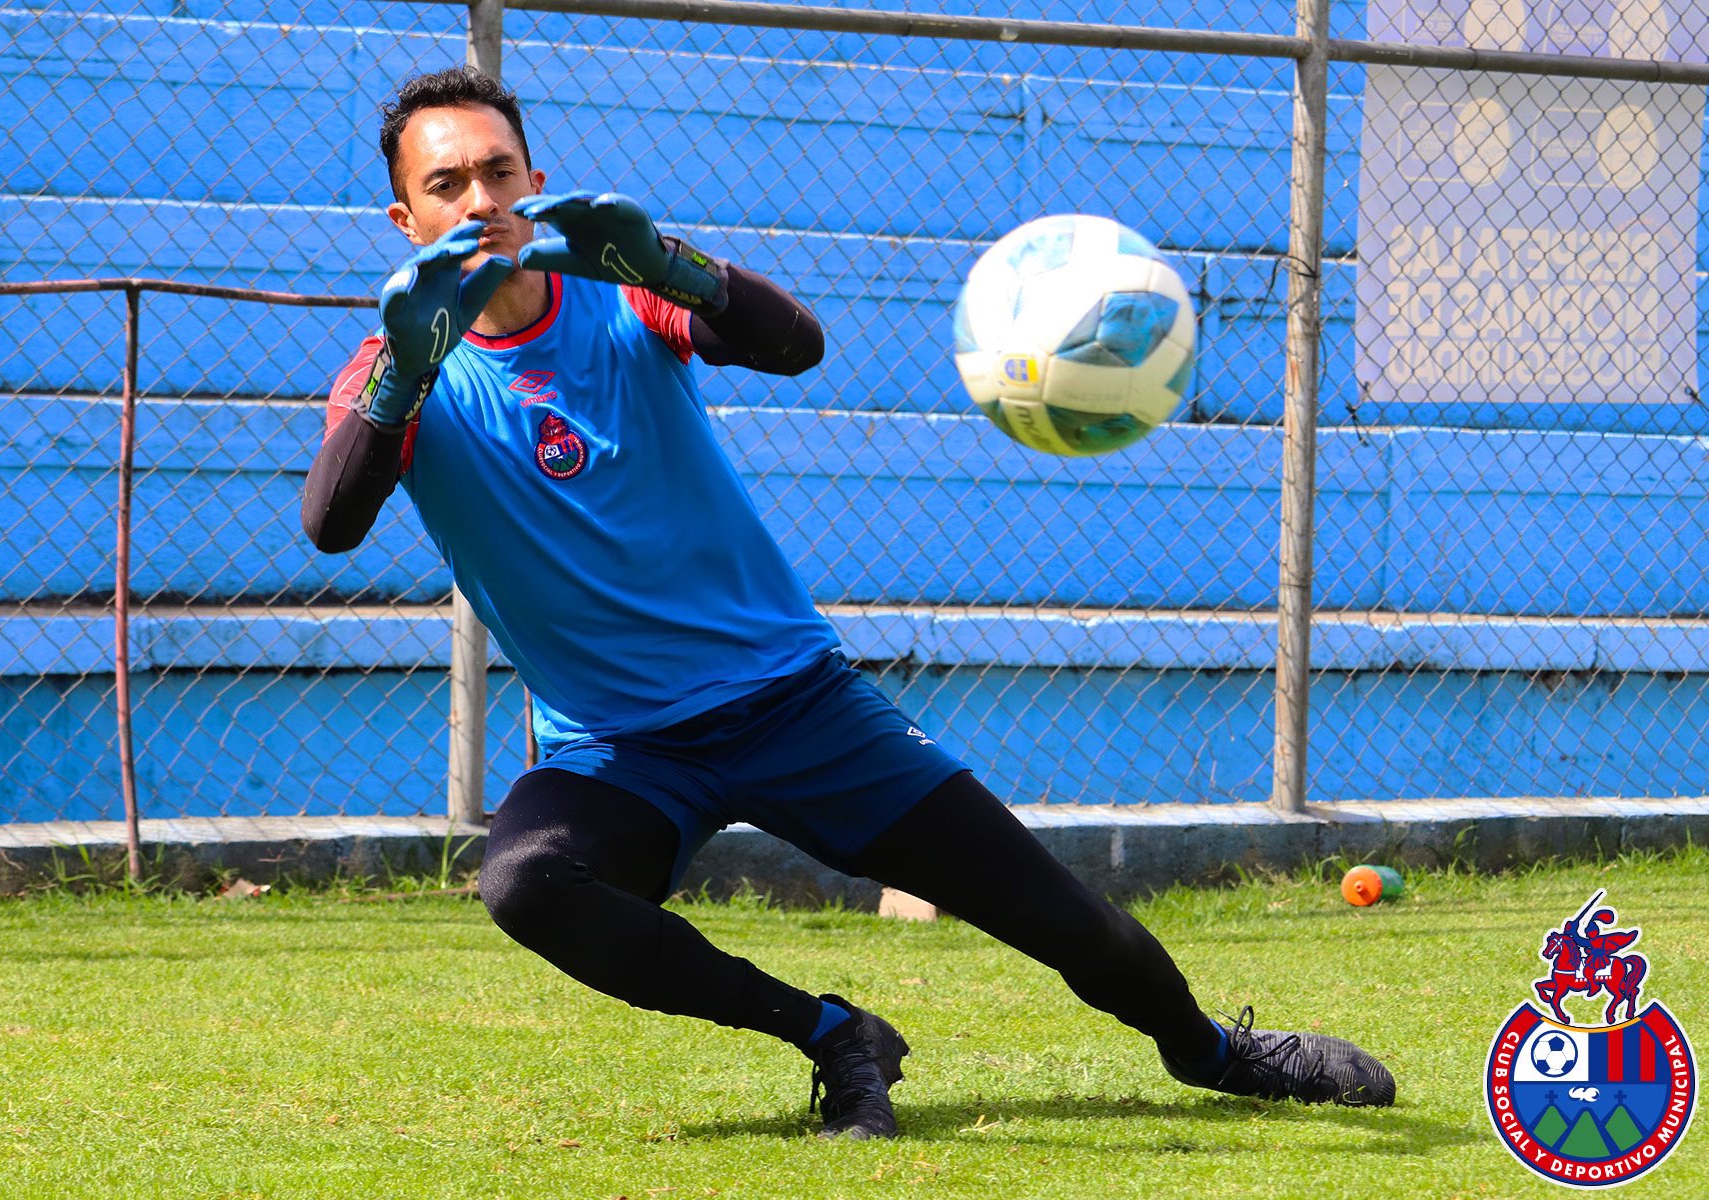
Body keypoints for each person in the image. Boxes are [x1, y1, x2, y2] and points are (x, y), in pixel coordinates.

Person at [301, 65, 1397, 1140]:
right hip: (621, 751)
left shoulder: (620, 290)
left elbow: (794, 346)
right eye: (449, 185)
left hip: (797, 708)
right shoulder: (392, 366)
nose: (482, 203)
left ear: (536, 177)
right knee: (530, 886)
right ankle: (833, 1036)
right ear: (405, 216)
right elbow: (332, 521)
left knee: (1068, 923)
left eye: (499, 172)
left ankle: (1212, 1050)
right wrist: (405, 372)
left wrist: (675, 265)